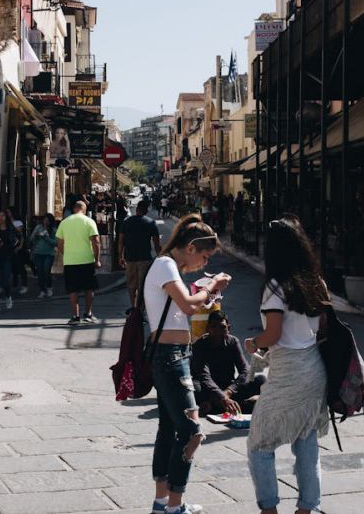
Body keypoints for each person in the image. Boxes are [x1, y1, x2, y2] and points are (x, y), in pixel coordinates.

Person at [143, 214, 231, 514]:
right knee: (192, 432)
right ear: (191, 247)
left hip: (175, 353)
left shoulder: (168, 268)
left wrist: (208, 292)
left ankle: (162, 501)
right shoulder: (166, 264)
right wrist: (212, 286)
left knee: (169, 428)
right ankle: (175, 505)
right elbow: (186, 305)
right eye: (204, 257)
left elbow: (185, 310)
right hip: (170, 357)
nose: (203, 265)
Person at [244, 216, 330, 514]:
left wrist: (255, 343)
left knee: (259, 444)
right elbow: (324, 328)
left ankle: (269, 508)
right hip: (315, 370)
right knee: (307, 444)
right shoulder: (316, 283)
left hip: (288, 374)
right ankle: (308, 508)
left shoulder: (275, 287)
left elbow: (274, 334)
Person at [190, 310, 266, 416]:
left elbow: (245, 370)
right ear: (207, 329)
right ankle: (240, 406)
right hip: (208, 390)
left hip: (228, 389)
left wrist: (229, 391)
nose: (218, 331)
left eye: (222, 328)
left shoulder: (233, 342)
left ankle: (216, 407)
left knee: (261, 379)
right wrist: (222, 396)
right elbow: (204, 376)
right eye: (214, 327)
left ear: (228, 328)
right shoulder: (199, 346)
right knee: (193, 387)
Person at [56, 201, 101, 325]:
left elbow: (59, 242)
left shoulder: (64, 222)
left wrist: (66, 253)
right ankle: (88, 314)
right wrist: (97, 259)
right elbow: (96, 242)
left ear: (74, 209)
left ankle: (75, 316)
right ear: (84, 209)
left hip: (70, 261)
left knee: (72, 289)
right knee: (89, 288)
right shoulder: (89, 221)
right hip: (86, 259)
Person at [118, 200, 161, 312]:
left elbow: (121, 241)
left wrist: (120, 257)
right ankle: (140, 310)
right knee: (143, 286)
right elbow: (157, 244)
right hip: (145, 258)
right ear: (146, 211)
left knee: (131, 285)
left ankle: (133, 307)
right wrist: (160, 257)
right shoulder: (151, 223)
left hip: (130, 258)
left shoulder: (126, 222)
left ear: (137, 209)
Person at [29, 213, 58, 298]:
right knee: (40, 272)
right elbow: (31, 239)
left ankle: (49, 287)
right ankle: (42, 290)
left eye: (48, 220)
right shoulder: (38, 227)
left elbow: (55, 243)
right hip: (38, 253)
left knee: (46, 271)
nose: (46, 222)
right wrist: (37, 236)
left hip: (49, 254)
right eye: (45, 220)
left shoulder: (53, 230)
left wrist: (46, 238)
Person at [7, 207, 30, 295]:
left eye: (8, 212)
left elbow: (21, 236)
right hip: (10, 247)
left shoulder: (18, 222)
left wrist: (20, 246)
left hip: (18, 247)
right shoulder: (6, 222)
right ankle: (12, 284)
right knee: (11, 266)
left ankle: (24, 285)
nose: (7, 214)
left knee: (20, 266)